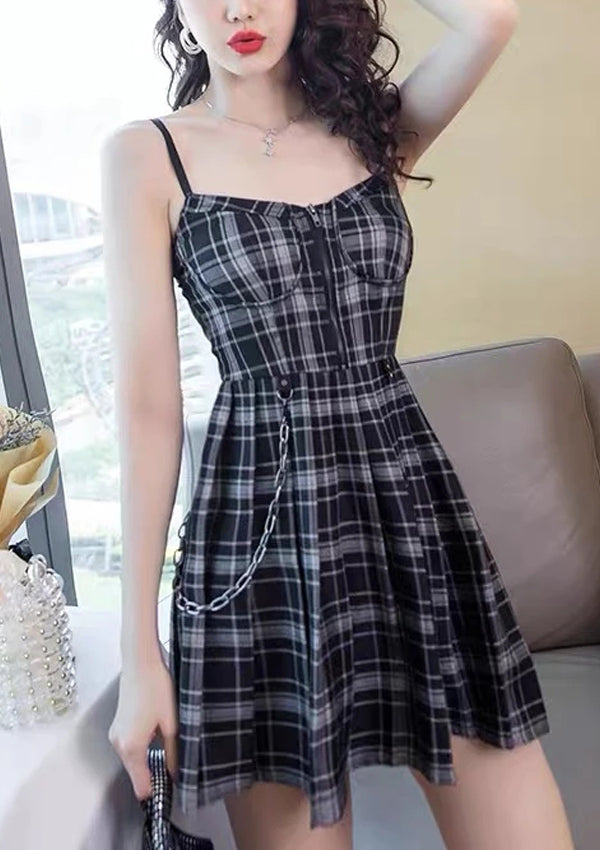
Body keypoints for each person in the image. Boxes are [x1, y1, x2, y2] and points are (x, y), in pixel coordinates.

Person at [100, 1, 576, 848]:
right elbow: (147, 411)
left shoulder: (369, 128)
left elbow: (490, 19)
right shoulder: (146, 155)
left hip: (409, 516)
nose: (239, 8)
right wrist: (141, 654)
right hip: (259, 542)